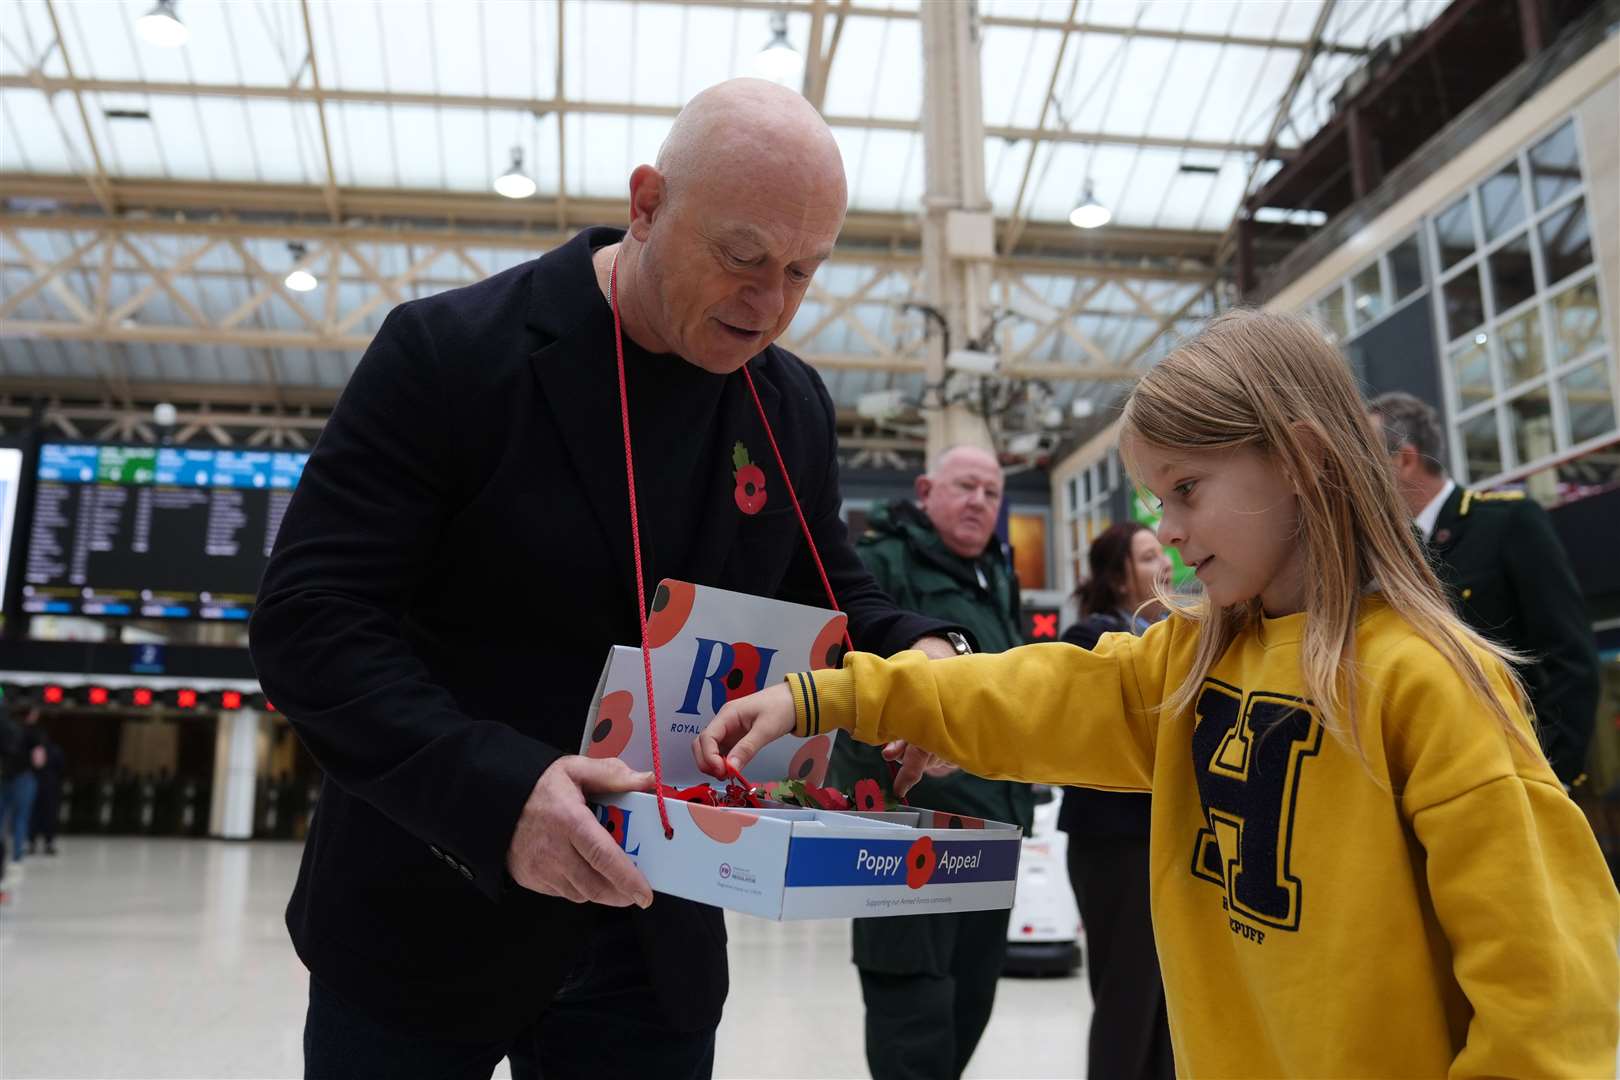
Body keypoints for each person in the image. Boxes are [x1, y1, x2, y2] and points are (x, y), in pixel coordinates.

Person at [248, 77, 964, 1080]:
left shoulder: (788, 403)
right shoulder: (451, 355)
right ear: (645, 204)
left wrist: (929, 657)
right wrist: (501, 794)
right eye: (743, 256)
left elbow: (832, 590)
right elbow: (309, 621)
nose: (769, 307)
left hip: (652, 939)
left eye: (804, 270)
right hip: (429, 908)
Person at [699, 310, 1620, 1077]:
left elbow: (1548, 997)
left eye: (1185, 489)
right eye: (1155, 504)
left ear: (1301, 459)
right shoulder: (1189, 664)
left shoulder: (1430, 682)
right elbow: (1030, 690)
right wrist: (826, 698)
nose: (1169, 532)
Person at [828, 445, 1031, 1080]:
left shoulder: (997, 574)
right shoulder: (881, 564)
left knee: (971, 1002)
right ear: (924, 489)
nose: (980, 501)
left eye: (992, 493)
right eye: (966, 485)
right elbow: (844, 676)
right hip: (906, 832)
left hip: (990, 835)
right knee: (911, 1014)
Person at [1366, 391, 1600, 790]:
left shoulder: (1506, 523)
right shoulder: (1389, 555)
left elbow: (1571, 660)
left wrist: (1547, 780)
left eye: (1365, 462)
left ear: (1404, 461)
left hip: (1516, 778)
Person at [1058, 520, 1174, 1080]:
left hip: (1166, 837)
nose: (1167, 564)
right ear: (1118, 576)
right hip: (1115, 842)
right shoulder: (1089, 641)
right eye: (1149, 557)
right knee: (1127, 995)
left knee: (1171, 1003)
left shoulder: (1177, 634)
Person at [0, 707, 44, 865]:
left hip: (5, 777)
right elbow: (39, 760)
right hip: (24, 777)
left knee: (2, 815)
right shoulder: (33, 733)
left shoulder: (5, 729)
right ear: (31, 714)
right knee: (21, 817)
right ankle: (17, 854)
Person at [28, 734, 64, 855]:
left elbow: (31, 767)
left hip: (35, 785)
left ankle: (32, 843)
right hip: (51, 786)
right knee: (50, 815)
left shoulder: (34, 750)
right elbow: (61, 768)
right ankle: (49, 844)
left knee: (34, 814)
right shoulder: (56, 750)